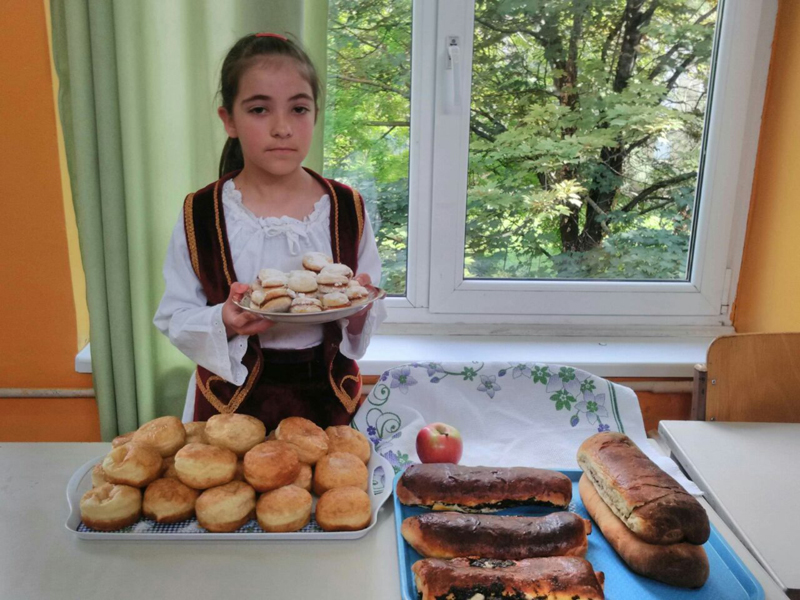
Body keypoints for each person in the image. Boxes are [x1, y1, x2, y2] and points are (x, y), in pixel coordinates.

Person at [154, 32, 386, 432]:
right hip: (229, 412)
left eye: (298, 109)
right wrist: (225, 320)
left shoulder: (347, 208)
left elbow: (365, 306)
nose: (282, 128)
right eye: (260, 109)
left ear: (315, 115)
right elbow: (175, 315)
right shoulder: (201, 213)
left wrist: (360, 309)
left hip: (327, 407)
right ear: (229, 120)